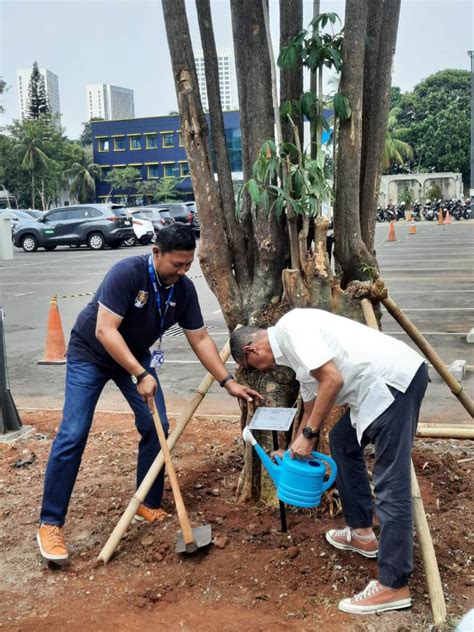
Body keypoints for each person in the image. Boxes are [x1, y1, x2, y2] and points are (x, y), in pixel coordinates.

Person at [37, 224, 260, 563]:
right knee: (74, 432)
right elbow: (104, 330)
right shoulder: (126, 274)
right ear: (156, 253)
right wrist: (140, 373)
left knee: (157, 427)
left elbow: (199, 338)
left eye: (188, 265)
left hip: (135, 355)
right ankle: (50, 523)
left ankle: (147, 503)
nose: (183, 272)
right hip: (92, 354)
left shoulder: (182, 290)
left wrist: (226, 381)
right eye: (177, 265)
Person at [229, 308, 429, 615]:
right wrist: (295, 445)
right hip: (374, 389)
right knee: (341, 441)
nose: (262, 372)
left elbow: (332, 380)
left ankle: (393, 585)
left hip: (392, 384)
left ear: (251, 350)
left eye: (252, 367)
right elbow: (310, 401)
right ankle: (362, 534)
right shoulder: (293, 357)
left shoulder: (291, 327)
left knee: (391, 481)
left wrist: (309, 435)